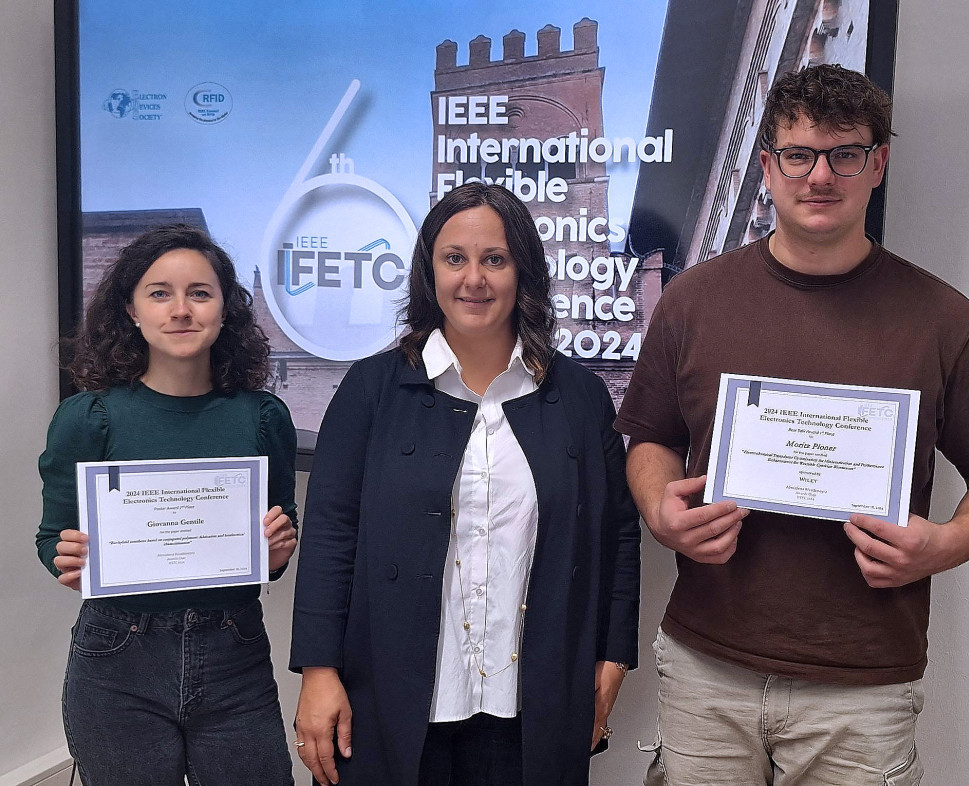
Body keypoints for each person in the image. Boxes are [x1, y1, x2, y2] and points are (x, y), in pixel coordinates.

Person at [616, 64, 969, 786]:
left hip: (864, 683)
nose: (820, 176)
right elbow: (651, 436)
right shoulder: (692, 302)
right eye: (799, 154)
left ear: (877, 164)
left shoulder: (944, 320)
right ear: (768, 167)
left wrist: (943, 544)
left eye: (845, 154)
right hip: (706, 666)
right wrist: (659, 509)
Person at [290, 182, 640, 786]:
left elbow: (618, 537)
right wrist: (318, 670)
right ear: (430, 272)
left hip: (532, 702)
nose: (473, 279)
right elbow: (329, 536)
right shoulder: (371, 391)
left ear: (522, 271)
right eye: (455, 259)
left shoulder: (579, 396)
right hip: (396, 695)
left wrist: (612, 660)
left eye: (494, 259)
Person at [36, 224, 299, 785]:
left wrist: (277, 549)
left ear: (225, 309)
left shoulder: (263, 418)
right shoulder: (88, 418)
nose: (181, 310)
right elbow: (51, 537)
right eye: (160, 293)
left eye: (199, 293)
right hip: (118, 657)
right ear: (131, 311)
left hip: (235, 653)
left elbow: (278, 540)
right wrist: (68, 558)